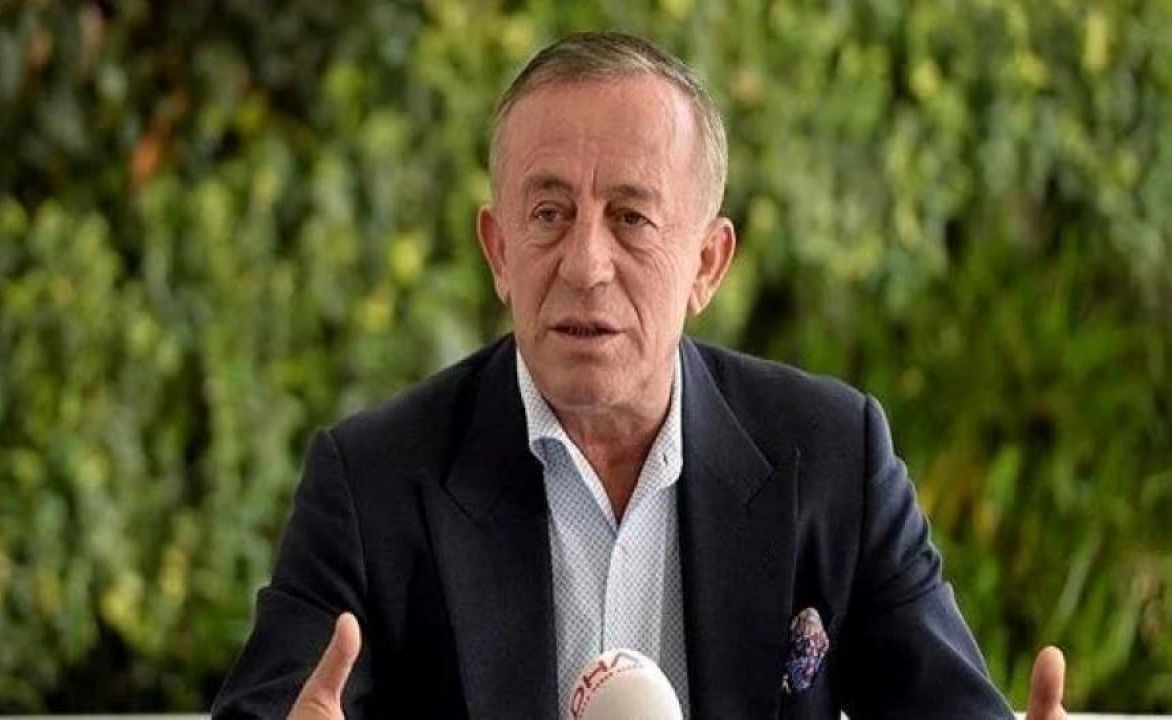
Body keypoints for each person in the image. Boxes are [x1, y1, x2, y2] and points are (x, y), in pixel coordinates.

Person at [212, 31, 1068, 719]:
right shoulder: (372, 482)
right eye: (549, 214)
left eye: (631, 218)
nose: (586, 264)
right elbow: (276, 706)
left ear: (708, 263)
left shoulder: (834, 456)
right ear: (499, 252)